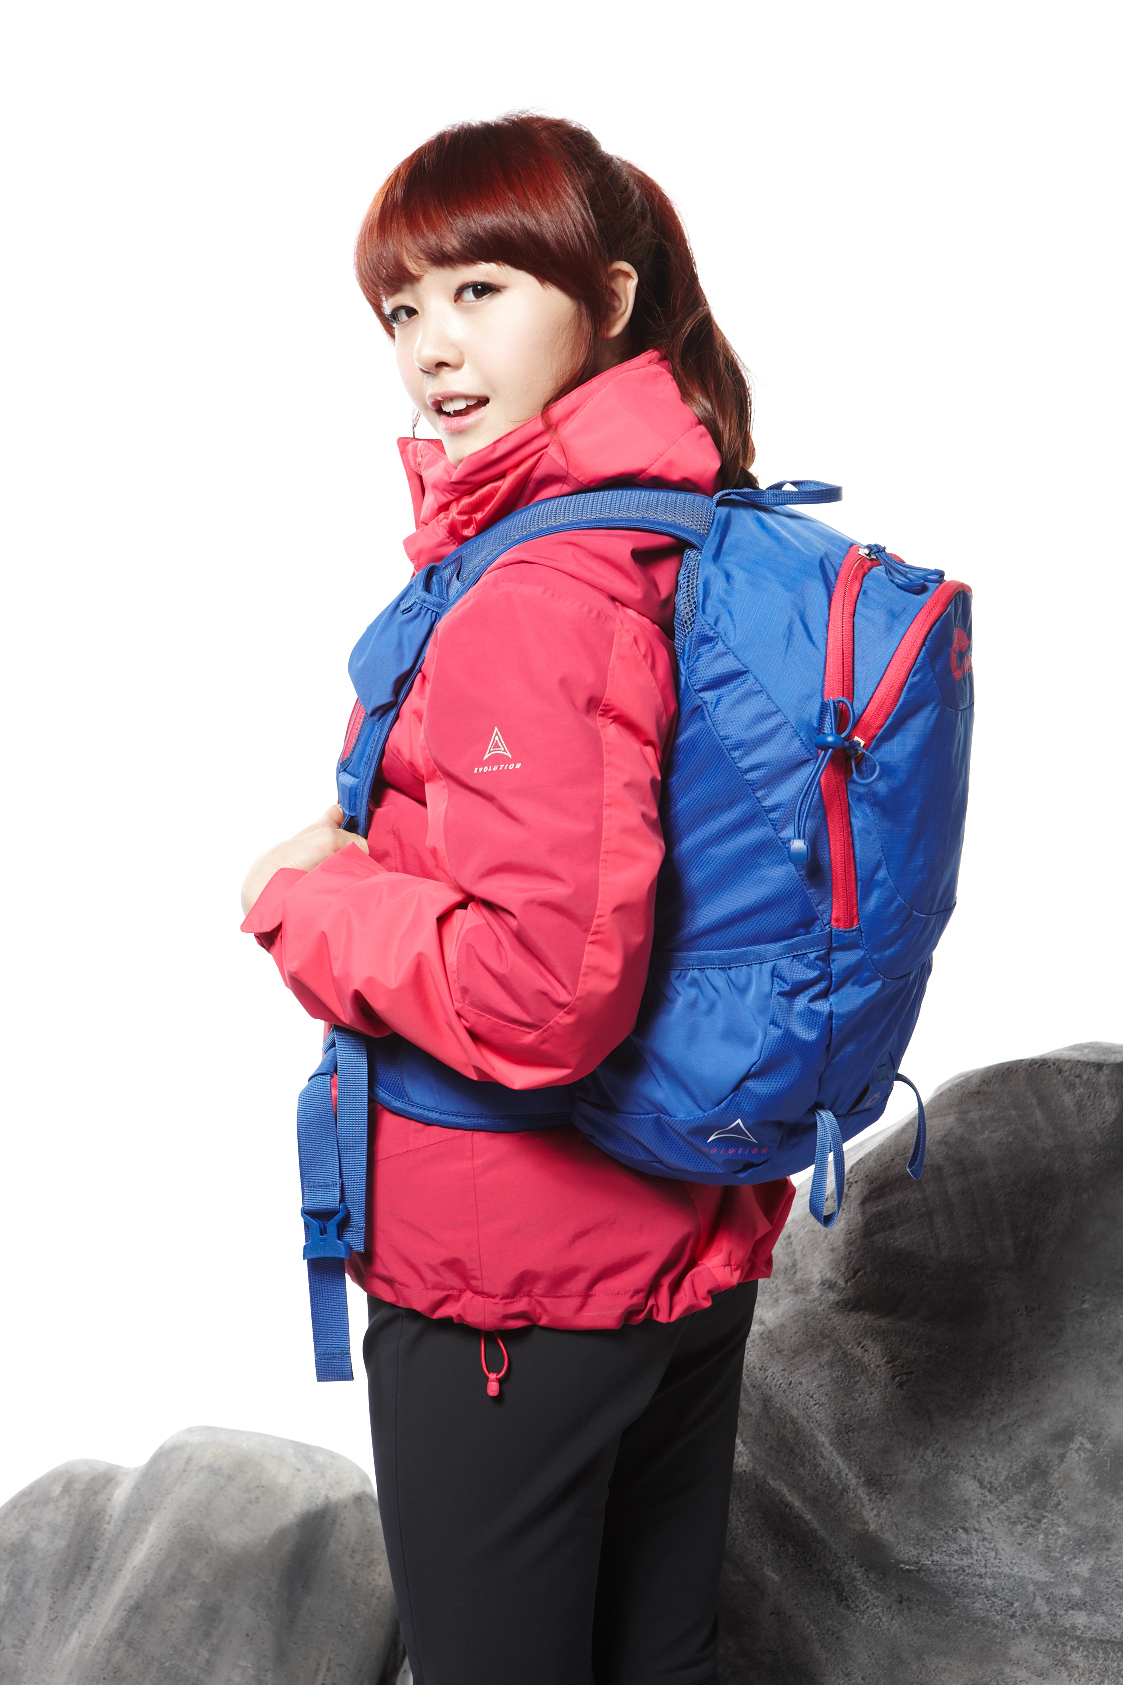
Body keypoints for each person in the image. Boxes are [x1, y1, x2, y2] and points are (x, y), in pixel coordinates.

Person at [241, 114, 795, 1685]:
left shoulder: (533, 593)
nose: (432, 346)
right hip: (683, 1244)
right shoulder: (681, 528)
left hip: (513, 1289)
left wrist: (302, 901)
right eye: (403, 308)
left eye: (480, 289)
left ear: (608, 299)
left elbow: (543, 995)